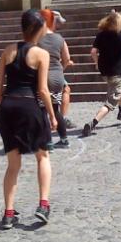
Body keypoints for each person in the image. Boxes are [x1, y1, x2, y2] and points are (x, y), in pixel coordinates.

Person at [0, 9, 57, 229]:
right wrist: (52, 115)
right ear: (40, 29)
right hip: (30, 106)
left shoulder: (7, 50)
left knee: (13, 165)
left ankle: (9, 213)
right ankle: (43, 205)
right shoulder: (42, 54)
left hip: (8, 107)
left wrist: (5, 103)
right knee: (43, 156)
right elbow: (42, 90)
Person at [82, 11, 121, 137]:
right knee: (111, 102)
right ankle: (93, 123)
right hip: (116, 73)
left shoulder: (101, 35)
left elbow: (93, 52)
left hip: (105, 71)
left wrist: (96, 62)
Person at [38, 9, 74, 148]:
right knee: (55, 108)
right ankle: (64, 139)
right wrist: (60, 70)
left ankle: (47, 142)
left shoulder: (37, 38)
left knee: (42, 109)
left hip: (43, 76)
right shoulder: (60, 39)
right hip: (58, 77)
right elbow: (67, 59)